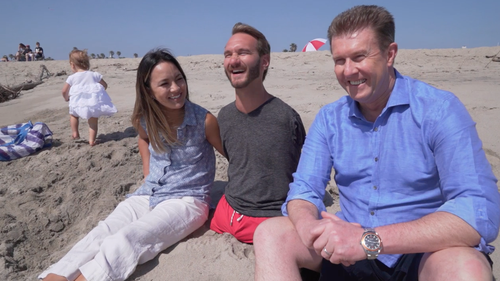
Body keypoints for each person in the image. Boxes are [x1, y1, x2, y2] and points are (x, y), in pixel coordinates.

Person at [253, 5, 500, 281]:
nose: (348, 71)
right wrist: (309, 225)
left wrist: (367, 241)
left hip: (419, 254)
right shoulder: (329, 119)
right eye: (339, 60)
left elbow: (480, 211)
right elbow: (304, 189)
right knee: (271, 234)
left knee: (467, 268)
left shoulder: (438, 110)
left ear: (389, 54)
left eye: (359, 56)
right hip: (346, 252)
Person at [39, 48, 225, 281]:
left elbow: (229, 154)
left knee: (127, 239)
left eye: (179, 79)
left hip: (187, 199)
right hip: (148, 193)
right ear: (149, 90)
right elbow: (143, 139)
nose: (176, 88)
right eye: (165, 83)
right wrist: (148, 173)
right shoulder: (146, 118)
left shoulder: (204, 120)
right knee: (101, 233)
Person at [209, 22, 306, 244]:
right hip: (228, 213)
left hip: (271, 221)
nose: (233, 60)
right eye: (228, 54)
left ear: (264, 62)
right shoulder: (223, 116)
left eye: (243, 52)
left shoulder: (285, 118)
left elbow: (300, 171)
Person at [61, 49, 117, 146]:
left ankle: (75, 133)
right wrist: (99, 92)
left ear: (72, 65)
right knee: (93, 122)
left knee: (73, 115)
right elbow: (104, 85)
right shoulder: (94, 75)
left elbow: (64, 90)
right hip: (92, 103)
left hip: (77, 103)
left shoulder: (72, 77)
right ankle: (92, 140)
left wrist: (66, 98)